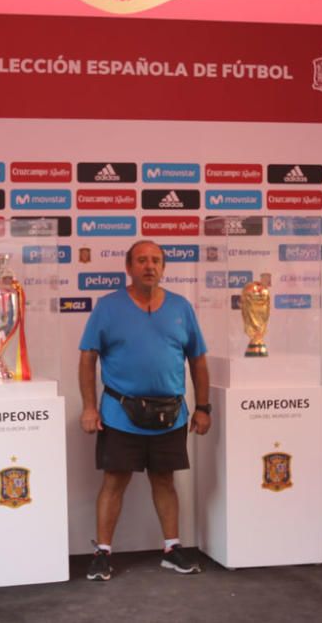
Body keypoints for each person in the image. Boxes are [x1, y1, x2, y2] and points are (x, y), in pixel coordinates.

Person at [78, 240, 211, 581]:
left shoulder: (181, 307)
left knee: (165, 481)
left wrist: (203, 408)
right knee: (114, 481)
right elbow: (88, 356)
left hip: (172, 415)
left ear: (163, 267)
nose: (149, 266)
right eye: (141, 260)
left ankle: (172, 549)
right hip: (120, 412)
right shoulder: (108, 308)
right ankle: (102, 553)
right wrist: (90, 408)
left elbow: (197, 359)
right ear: (129, 267)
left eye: (155, 260)